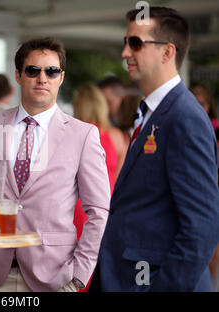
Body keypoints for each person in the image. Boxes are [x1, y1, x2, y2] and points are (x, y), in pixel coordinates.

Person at [0, 37, 111, 292]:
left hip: (53, 278)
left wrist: (78, 277)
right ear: (19, 75)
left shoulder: (83, 135)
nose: (42, 78)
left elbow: (98, 210)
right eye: (33, 70)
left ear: (61, 77)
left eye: (51, 71)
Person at [91, 6, 219, 292]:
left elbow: (201, 228)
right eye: (125, 43)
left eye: (136, 43)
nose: (125, 53)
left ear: (167, 52)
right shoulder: (154, 110)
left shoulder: (184, 117)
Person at [71, 84, 128, 292]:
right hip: (106, 208)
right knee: (101, 267)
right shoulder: (118, 137)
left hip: (76, 207)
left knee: (75, 266)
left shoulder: (73, 136)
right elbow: (121, 182)